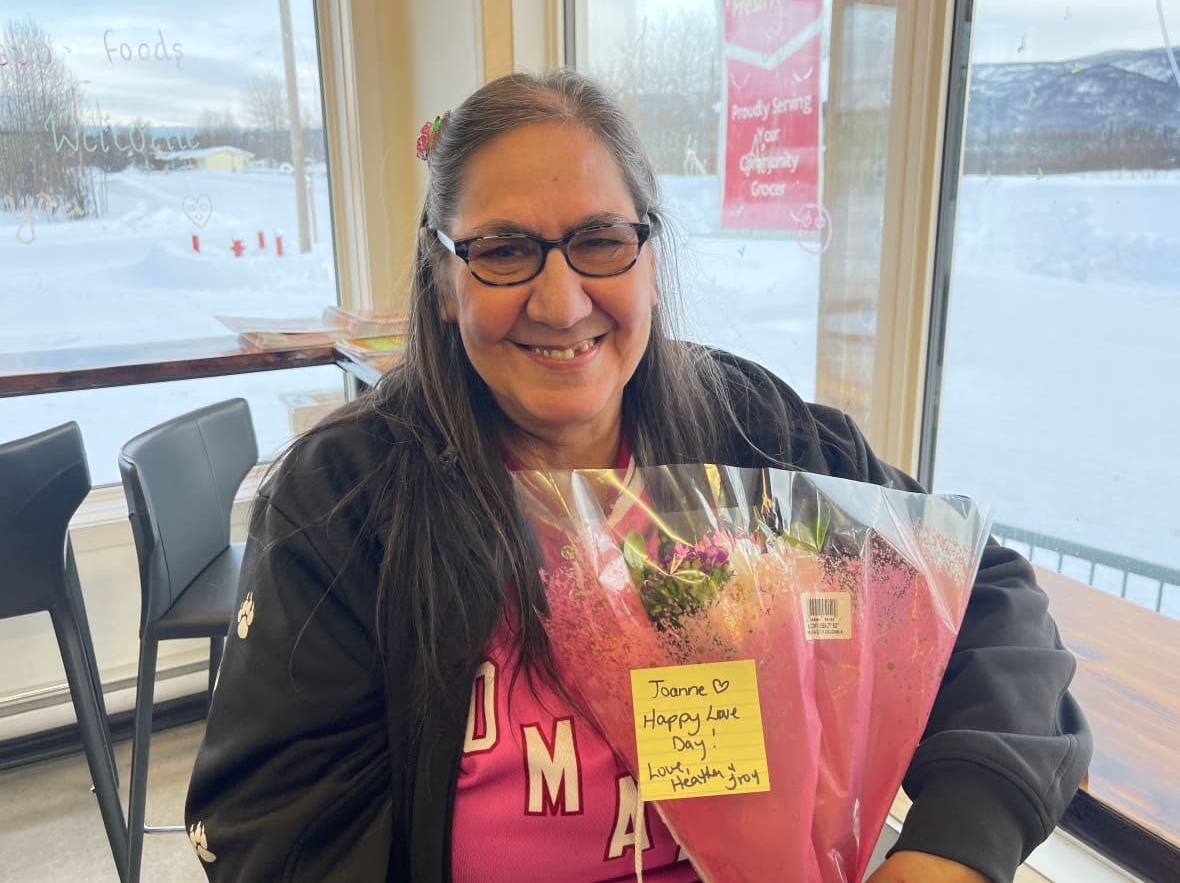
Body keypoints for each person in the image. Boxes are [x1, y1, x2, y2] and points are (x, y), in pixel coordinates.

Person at [185, 68, 1090, 882]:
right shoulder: (345, 501)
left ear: (649, 255)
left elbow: (983, 599)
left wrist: (946, 852)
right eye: (502, 250)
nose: (562, 299)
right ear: (440, 275)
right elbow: (273, 830)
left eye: (601, 240)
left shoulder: (752, 436)